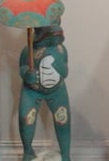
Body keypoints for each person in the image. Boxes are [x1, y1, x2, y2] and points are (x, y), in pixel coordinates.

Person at [19, 23, 71, 161]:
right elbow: (22, 67)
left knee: (63, 120)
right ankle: (28, 151)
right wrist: (26, 74)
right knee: (26, 119)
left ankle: (65, 153)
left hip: (57, 90)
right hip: (32, 91)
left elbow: (65, 71)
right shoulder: (28, 51)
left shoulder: (61, 50)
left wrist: (58, 66)